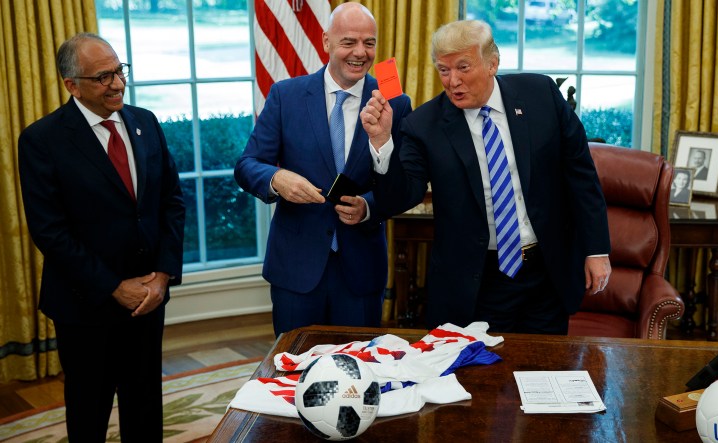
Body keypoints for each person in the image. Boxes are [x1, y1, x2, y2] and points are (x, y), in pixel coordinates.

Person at [360, 20, 611, 334]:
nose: (453, 81)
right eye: (444, 70)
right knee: (474, 378)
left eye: (463, 67)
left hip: (545, 272)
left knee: (542, 373)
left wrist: (596, 249)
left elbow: (580, 175)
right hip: (475, 281)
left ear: (493, 63)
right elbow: (401, 196)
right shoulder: (423, 124)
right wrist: (382, 142)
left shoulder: (541, 95)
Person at [17, 33, 185, 441]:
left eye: (120, 70)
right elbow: (50, 232)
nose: (117, 84)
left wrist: (162, 276)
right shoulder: (42, 141)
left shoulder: (145, 122)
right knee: (89, 409)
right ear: (71, 85)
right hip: (85, 304)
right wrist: (113, 287)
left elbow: (171, 202)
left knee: (145, 402)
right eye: (103, 77)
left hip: (148, 297)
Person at [234, 3, 412, 337]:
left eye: (369, 43)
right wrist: (275, 178)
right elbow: (247, 165)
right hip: (295, 268)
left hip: (361, 269)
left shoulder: (394, 102)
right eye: (349, 42)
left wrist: (369, 205)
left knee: (358, 376)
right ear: (326, 41)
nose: (360, 52)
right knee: (291, 375)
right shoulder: (286, 96)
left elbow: (404, 186)